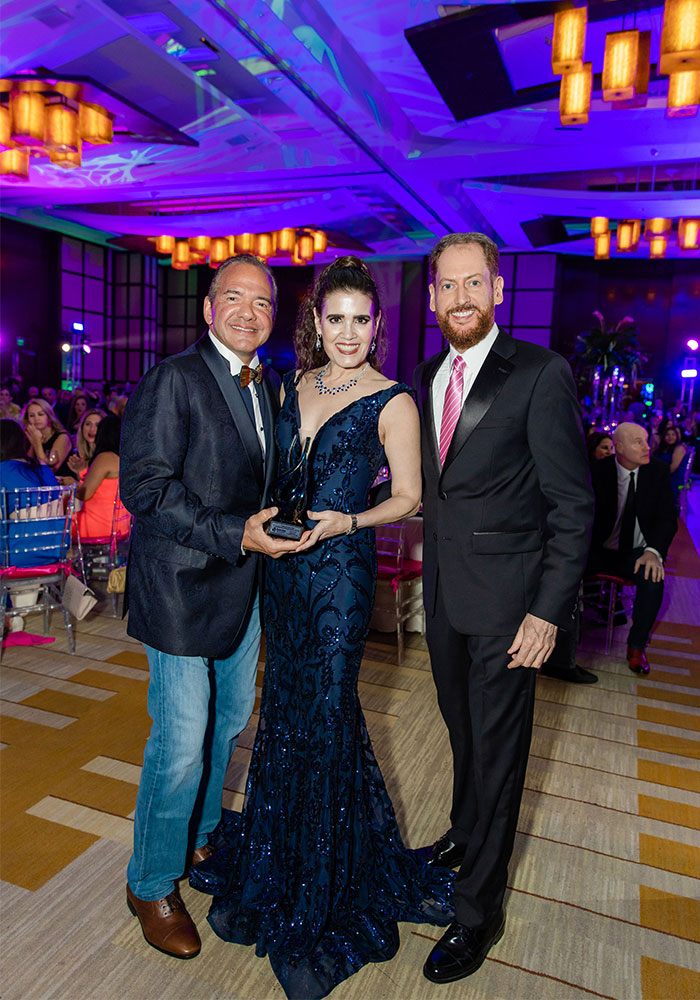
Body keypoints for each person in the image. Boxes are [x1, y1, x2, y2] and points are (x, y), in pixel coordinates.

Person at [202, 257, 453, 1000]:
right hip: (284, 570)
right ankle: (282, 857)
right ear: (317, 323)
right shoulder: (291, 383)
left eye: (361, 320)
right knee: (284, 708)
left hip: (340, 576)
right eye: (334, 318)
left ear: (377, 325)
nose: (348, 333)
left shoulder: (393, 399)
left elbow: (409, 495)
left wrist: (352, 517)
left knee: (328, 710)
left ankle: (328, 876)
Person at [413, 233, 593, 985]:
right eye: (447, 286)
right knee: (460, 730)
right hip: (447, 598)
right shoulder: (425, 376)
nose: (460, 298)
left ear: (497, 291)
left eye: (473, 284)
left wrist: (547, 612)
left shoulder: (540, 374)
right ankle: (463, 831)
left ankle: (477, 912)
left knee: (499, 754)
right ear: (431, 299)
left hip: (513, 610)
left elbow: (573, 505)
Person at [119, 254, 305, 960]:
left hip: (242, 585)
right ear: (208, 307)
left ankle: (195, 840)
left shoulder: (269, 385)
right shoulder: (174, 379)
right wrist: (238, 533)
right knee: (179, 740)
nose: (250, 313)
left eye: (262, 303)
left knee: (227, 727)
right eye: (236, 298)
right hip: (180, 589)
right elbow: (147, 488)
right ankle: (151, 881)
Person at [589, 422, 677, 674]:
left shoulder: (657, 471)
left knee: (653, 577)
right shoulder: (597, 471)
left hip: (637, 552)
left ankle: (636, 647)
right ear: (619, 448)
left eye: (647, 440)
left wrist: (654, 552)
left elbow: (667, 518)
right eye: (639, 442)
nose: (647, 447)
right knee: (563, 571)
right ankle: (563, 647)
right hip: (598, 548)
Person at [0, 419, 62, 630]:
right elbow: (55, 496)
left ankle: (7, 614)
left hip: (16, 555)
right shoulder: (40, 470)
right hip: (51, 552)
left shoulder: (2, 472)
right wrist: (38, 447)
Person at [74, 416, 126, 539]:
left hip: (98, 528)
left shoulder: (105, 458)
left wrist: (71, 484)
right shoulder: (123, 458)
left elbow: (84, 494)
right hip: (119, 528)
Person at [21, 398, 73, 478]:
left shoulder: (62, 437)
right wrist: (33, 443)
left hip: (60, 484)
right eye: (32, 416)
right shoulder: (31, 436)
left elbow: (48, 471)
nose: (36, 419)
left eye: (40, 414)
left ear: (48, 416)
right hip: (37, 483)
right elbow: (27, 467)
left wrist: (37, 443)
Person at [654, 425, 690, 508]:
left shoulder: (679, 448)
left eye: (673, 435)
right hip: (664, 476)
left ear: (677, 436)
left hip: (673, 478)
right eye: (667, 435)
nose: (670, 437)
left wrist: (658, 476)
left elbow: (673, 467)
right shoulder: (663, 448)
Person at [67, 408, 105, 479]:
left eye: (97, 425)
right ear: (82, 428)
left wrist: (75, 482)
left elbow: (93, 489)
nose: (92, 429)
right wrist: (78, 470)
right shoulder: (82, 459)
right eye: (88, 424)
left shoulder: (105, 457)